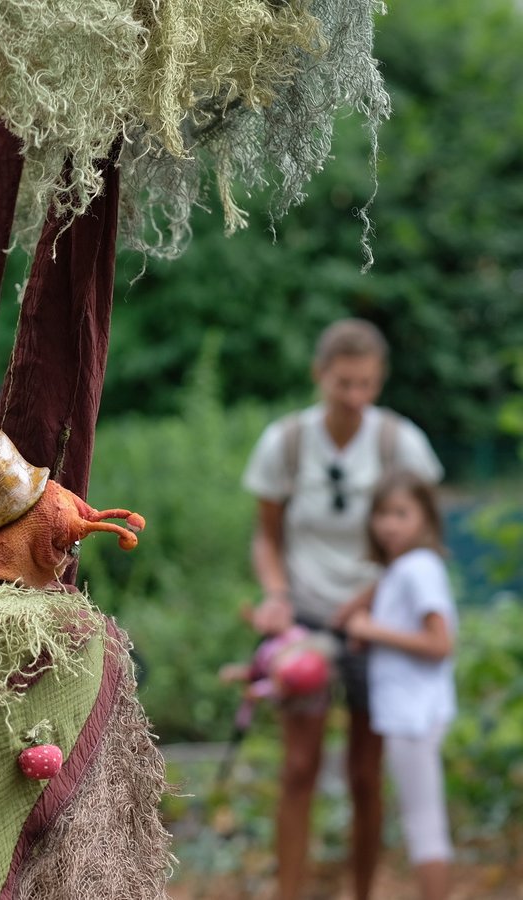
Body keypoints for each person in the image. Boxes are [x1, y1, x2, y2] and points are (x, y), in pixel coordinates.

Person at [241, 318, 444, 900]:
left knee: (364, 772)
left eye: (366, 385)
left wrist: (371, 600)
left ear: (379, 381)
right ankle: (291, 891)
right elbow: (266, 537)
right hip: (306, 621)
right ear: (319, 376)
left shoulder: (398, 443)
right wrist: (276, 595)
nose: (355, 397)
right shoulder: (288, 442)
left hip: (378, 623)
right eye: (343, 384)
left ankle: (364, 890)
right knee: (300, 766)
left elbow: (423, 537)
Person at [346, 470, 456, 900]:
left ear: (426, 519)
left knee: (424, 824)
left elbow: (439, 642)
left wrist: (371, 630)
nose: (388, 524)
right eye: (381, 513)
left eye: (401, 513)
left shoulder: (418, 570)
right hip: (408, 713)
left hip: (415, 715)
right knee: (420, 821)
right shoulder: (402, 570)